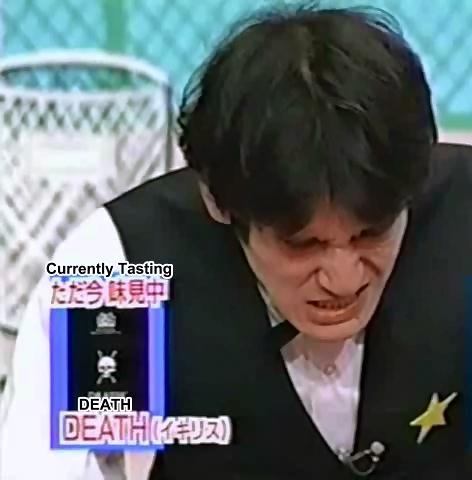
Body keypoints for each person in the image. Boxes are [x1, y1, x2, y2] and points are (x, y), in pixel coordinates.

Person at [1, 4, 471, 479]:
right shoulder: (116, 271)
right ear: (218, 201)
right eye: (302, 244)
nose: (343, 278)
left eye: (372, 233)